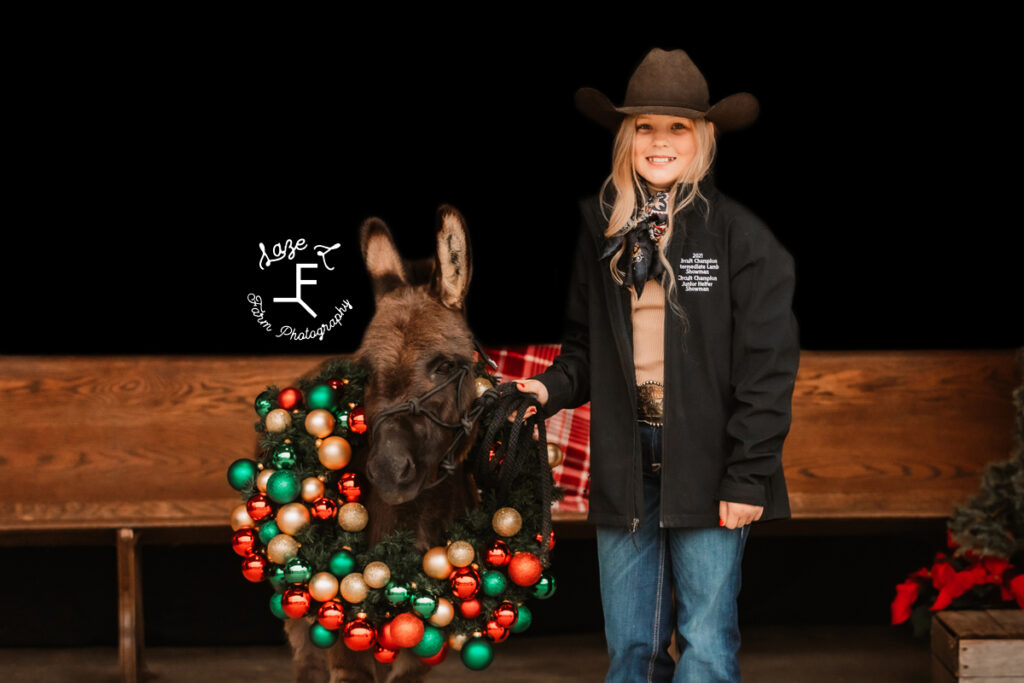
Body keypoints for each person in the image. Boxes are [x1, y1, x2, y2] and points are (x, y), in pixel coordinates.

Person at [517, 48, 800, 682]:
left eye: (678, 127)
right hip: (626, 454)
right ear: (627, 137)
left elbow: (768, 367)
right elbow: (586, 348)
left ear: (702, 138)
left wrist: (748, 476)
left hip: (709, 458)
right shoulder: (605, 230)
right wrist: (544, 388)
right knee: (630, 644)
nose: (660, 141)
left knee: (704, 640)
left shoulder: (738, 236)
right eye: (645, 126)